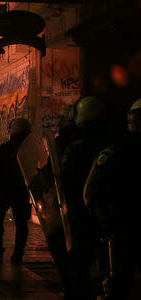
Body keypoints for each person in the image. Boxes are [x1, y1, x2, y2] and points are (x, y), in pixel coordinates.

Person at [84, 98, 141, 300]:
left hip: (121, 230)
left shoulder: (115, 151)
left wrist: (105, 222)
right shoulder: (115, 150)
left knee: (117, 285)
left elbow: (91, 192)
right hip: (121, 229)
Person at [61, 96, 114, 299]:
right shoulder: (112, 140)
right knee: (108, 264)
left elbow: (64, 178)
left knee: (79, 266)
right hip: (107, 214)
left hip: (80, 214)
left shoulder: (74, 145)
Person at [0, 118, 32, 265]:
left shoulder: (6, 147)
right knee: (21, 224)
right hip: (21, 191)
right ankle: (18, 254)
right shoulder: (30, 149)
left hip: (3, 190)